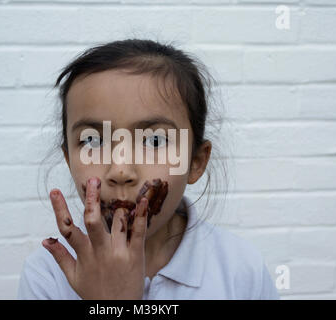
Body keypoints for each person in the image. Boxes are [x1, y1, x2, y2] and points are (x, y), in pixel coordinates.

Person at [17, 39, 280, 300]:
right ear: (69, 159)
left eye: (154, 141)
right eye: (93, 141)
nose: (120, 171)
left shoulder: (242, 272)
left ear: (196, 162)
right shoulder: (48, 275)